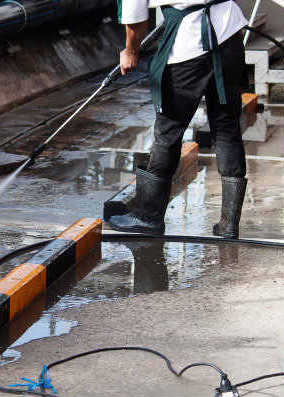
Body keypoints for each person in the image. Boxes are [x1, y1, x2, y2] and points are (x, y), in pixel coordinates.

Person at [108, 0, 249, 239]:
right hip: (230, 36)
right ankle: (229, 224)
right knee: (227, 129)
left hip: (189, 45)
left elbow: (135, 14)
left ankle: (148, 217)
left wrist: (130, 50)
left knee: (168, 131)